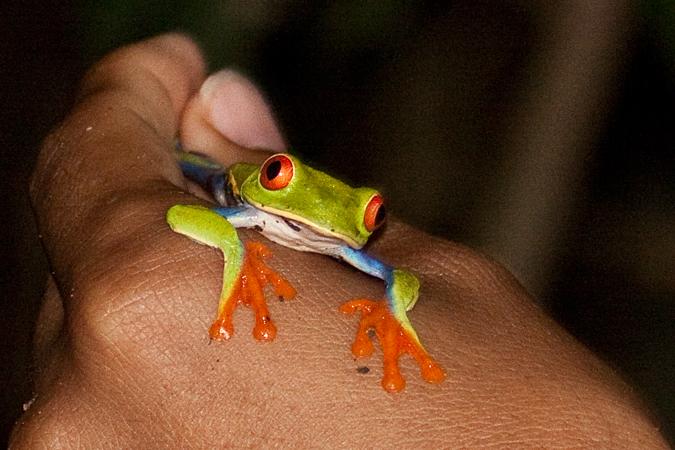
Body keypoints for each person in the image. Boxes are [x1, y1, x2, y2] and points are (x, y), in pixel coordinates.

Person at [10, 34, 668, 449]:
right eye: (276, 170)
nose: (351, 220)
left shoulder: (351, 241)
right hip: (229, 199)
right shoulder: (248, 198)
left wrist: (395, 315)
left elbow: (395, 278)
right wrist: (239, 249)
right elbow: (181, 221)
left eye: (373, 210)